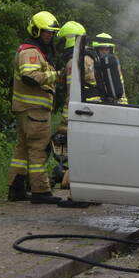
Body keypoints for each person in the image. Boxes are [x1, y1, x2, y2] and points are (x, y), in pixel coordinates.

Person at [8, 11, 61, 204]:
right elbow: (29, 77)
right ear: (36, 30)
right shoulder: (31, 51)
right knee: (39, 148)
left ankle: (17, 188)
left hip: (26, 109)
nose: (50, 35)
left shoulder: (34, 51)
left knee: (21, 151)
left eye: (52, 32)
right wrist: (56, 76)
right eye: (46, 32)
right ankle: (41, 191)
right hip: (34, 111)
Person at [52, 21, 97, 208]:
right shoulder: (89, 58)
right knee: (91, 154)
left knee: (80, 154)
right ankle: (91, 193)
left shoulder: (74, 62)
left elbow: (72, 95)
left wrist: (64, 122)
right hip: (95, 112)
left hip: (84, 114)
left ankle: (78, 196)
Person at [92, 33, 128, 104]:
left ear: (111, 50)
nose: (104, 52)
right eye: (101, 49)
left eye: (107, 49)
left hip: (117, 103)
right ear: (96, 50)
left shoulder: (113, 65)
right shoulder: (92, 64)